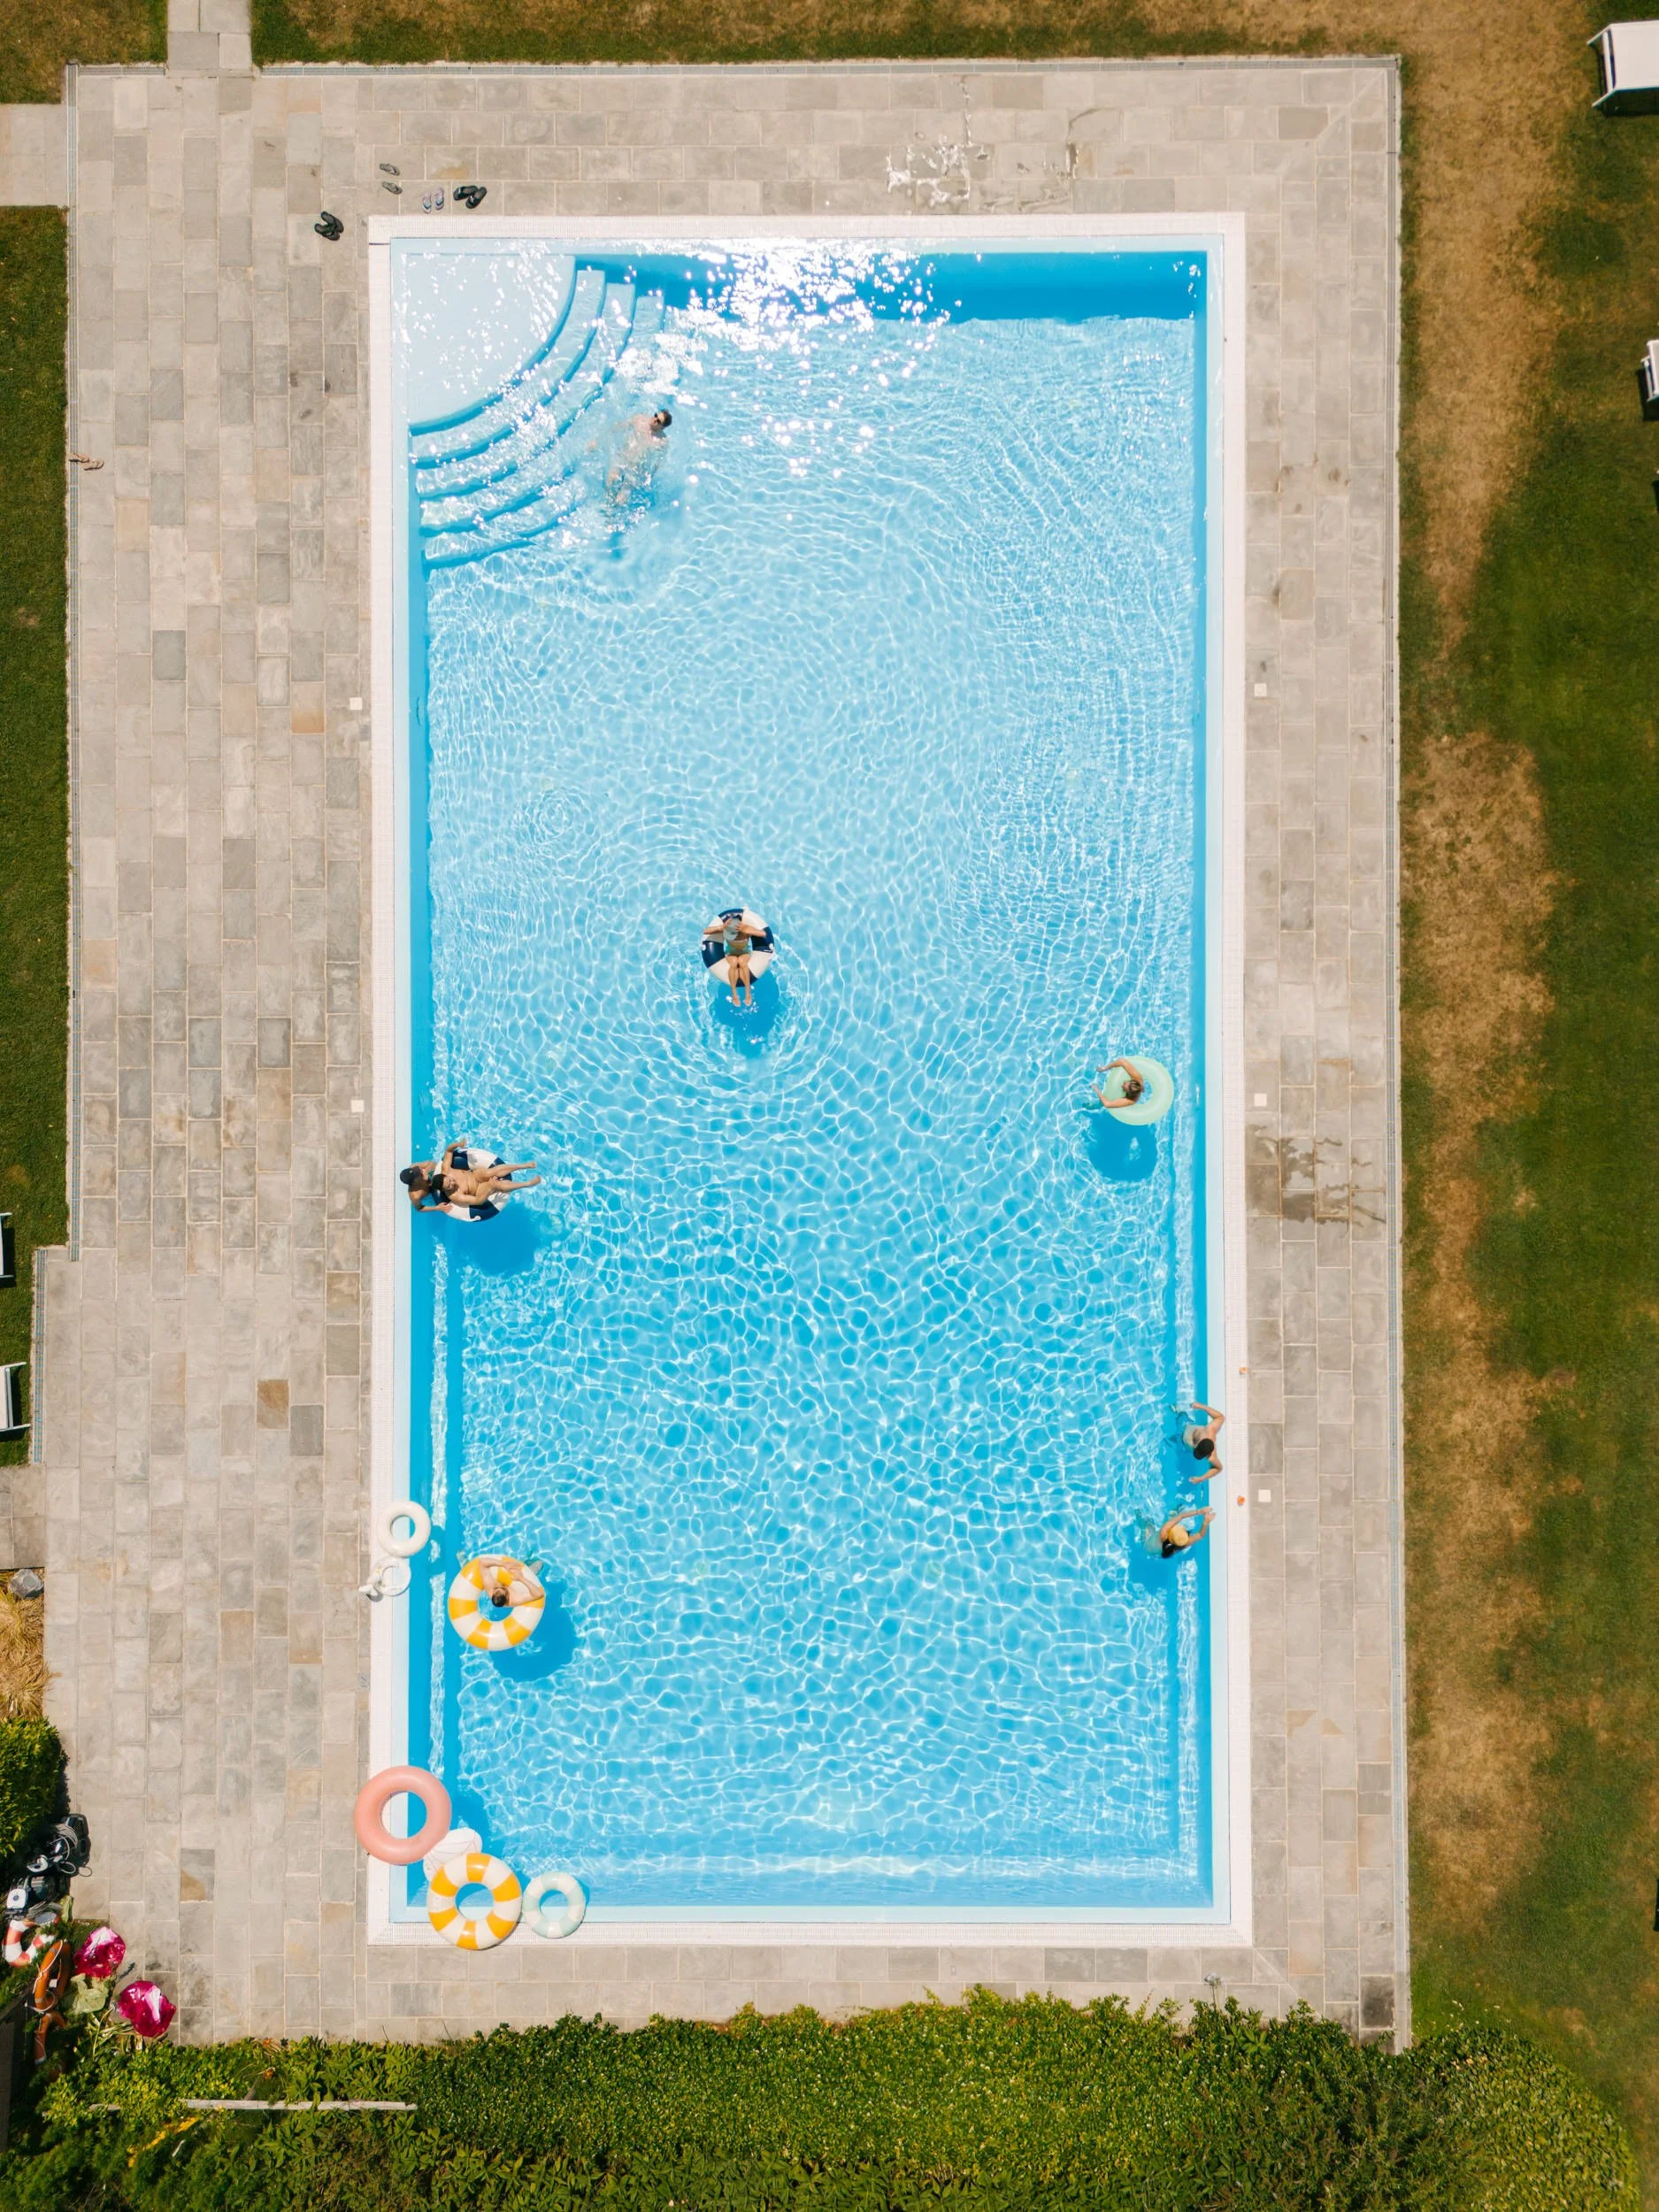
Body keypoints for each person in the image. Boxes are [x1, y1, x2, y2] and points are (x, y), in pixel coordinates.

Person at [400, 1141, 541, 1211]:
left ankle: (523, 1165)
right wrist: (437, 1208)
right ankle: (527, 1184)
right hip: (478, 1189)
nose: (422, 1171)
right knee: (497, 1184)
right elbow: (478, 1201)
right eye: (420, 1174)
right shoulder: (452, 1195)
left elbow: (448, 1152)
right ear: (414, 1183)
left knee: (489, 1172)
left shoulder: (442, 1170)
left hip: (475, 1176)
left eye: (420, 1171)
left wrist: (459, 1144)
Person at [607, 407, 672, 495]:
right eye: (655, 415)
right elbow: (619, 427)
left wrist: (650, 476)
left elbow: (659, 462)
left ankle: (614, 508)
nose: (654, 420)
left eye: (658, 421)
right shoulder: (639, 420)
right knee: (610, 481)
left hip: (636, 469)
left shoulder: (662, 442)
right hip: (623, 458)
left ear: (663, 427)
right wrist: (596, 441)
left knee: (621, 499)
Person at [704, 912, 764, 1009]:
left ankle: (748, 993)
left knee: (741, 961)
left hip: (745, 953)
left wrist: (747, 929)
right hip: (730, 953)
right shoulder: (726, 930)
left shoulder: (745, 931)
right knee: (734, 962)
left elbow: (762, 933)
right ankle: (734, 993)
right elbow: (705, 931)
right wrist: (721, 927)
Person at [1174, 1399, 1226, 1482]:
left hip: (1182, 1445)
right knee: (1174, 1411)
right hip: (1184, 1426)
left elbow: (1219, 1468)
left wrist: (1202, 1478)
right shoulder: (1209, 1430)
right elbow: (1221, 1417)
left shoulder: (1212, 1457)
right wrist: (1201, 1406)